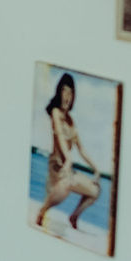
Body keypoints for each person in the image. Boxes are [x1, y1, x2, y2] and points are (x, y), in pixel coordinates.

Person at [34, 72, 101, 235]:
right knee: (66, 184)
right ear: (59, 92)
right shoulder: (56, 113)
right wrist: (68, 159)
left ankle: (74, 217)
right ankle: (42, 211)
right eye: (64, 91)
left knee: (95, 190)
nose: (67, 97)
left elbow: (82, 149)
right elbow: (60, 136)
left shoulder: (71, 121)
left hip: (68, 170)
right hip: (57, 168)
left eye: (70, 93)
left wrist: (96, 169)